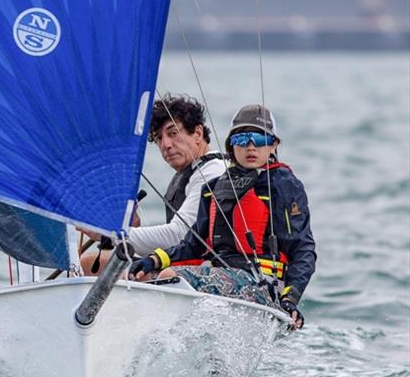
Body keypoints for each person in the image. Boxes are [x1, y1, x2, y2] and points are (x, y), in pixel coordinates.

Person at [130, 104, 316, 330]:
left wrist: (290, 299)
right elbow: (192, 244)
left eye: (258, 139)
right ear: (231, 145)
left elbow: (303, 249)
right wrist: (153, 260)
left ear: (273, 144)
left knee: (171, 278)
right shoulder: (213, 188)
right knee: (141, 277)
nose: (249, 147)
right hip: (223, 278)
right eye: (241, 139)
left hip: (264, 288)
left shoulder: (283, 185)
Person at [79, 94, 226, 273]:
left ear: (197, 133)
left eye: (173, 133)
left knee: (98, 268)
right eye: (158, 138)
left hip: (209, 271)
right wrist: (132, 229)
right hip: (179, 264)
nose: (166, 144)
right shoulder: (188, 173)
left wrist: (112, 234)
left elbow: (178, 235)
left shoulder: (214, 171)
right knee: (89, 264)